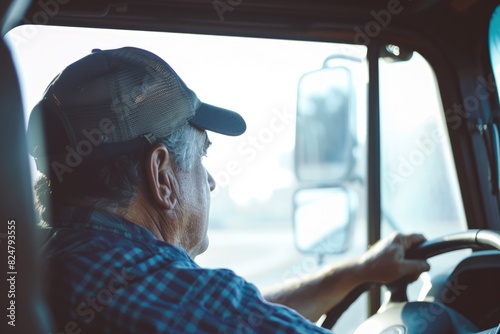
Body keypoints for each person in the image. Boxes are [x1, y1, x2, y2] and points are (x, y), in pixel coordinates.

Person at [27, 47, 430, 333]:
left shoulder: (44, 260)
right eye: (202, 157)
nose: (211, 180)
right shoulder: (135, 277)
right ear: (162, 176)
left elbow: (235, 317)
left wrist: (358, 272)